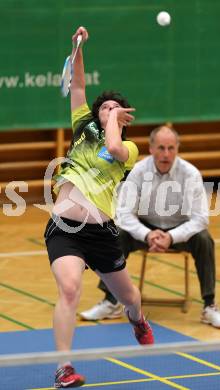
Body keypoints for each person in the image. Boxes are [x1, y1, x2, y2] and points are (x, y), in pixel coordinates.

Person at [44, 26, 154, 389]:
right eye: (104, 107)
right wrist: (78, 46)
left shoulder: (130, 149)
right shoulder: (82, 126)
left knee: (129, 297)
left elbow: (115, 148)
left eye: (115, 108)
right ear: (96, 113)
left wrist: (111, 123)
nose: (108, 110)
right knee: (70, 290)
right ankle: (64, 368)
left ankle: (136, 318)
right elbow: (77, 84)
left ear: (123, 116)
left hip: (102, 233)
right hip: (65, 228)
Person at [80, 125, 220, 330]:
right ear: (151, 149)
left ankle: (210, 305)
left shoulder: (190, 174)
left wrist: (171, 237)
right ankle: (111, 301)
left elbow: (201, 218)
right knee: (117, 236)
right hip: (146, 226)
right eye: (161, 148)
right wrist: (148, 234)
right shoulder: (139, 172)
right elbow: (124, 214)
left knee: (204, 239)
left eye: (171, 148)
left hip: (180, 229)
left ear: (177, 148)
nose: (166, 154)